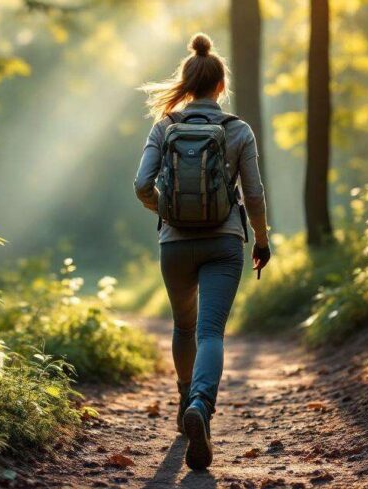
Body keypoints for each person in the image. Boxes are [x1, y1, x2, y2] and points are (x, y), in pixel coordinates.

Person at [133, 33, 271, 471]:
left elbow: (140, 185)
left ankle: (184, 396)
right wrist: (262, 240)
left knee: (183, 326)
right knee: (211, 332)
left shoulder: (164, 126)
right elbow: (253, 194)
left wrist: (167, 209)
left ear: (186, 82)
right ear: (220, 85)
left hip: (174, 244)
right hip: (224, 241)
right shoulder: (238, 130)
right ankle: (201, 407)